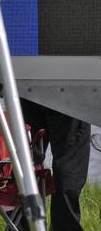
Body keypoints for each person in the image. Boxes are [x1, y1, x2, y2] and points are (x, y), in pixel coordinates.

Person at [19, 98, 90, 230]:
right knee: (69, 164)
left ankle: (28, 225)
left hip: (24, 86)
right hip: (69, 89)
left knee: (26, 163)